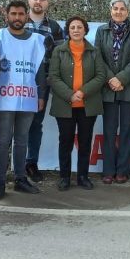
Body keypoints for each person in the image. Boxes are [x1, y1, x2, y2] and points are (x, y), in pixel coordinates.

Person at [0, 0, 49, 199]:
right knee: (3, 141)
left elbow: (40, 69)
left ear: (27, 16)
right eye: (13, 14)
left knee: (22, 140)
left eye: (21, 14)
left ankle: (20, 178)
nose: (17, 18)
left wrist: (41, 95)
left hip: (28, 97)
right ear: (7, 15)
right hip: (4, 97)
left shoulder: (36, 40)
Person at [49, 16, 106, 190]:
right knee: (65, 142)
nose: (76, 30)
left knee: (85, 142)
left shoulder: (94, 51)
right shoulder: (59, 51)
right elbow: (53, 76)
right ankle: (64, 177)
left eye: (79, 27)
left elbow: (101, 76)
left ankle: (83, 176)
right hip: (65, 105)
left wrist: (83, 92)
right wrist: (69, 94)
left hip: (87, 106)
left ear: (85, 30)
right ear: (68, 30)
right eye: (72, 27)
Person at [95, 0, 130, 184]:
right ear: (110, 10)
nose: (118, 12)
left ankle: (123, 170)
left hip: (129, 88)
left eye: (122, 9)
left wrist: (121, 78)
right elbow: (98, 57)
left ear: (128, 11)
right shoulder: (101, 31)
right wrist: (111, 79)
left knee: (126, 131)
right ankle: (108, 170)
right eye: (115, 8)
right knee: (108, 131)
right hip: (108, 89)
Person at [24, 0, 63, 183]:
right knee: (17, 123)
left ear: (47, 3)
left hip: (42, 83)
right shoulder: (19, 22)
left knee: (36, 123)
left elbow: (59, 57)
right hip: (19, 82)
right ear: (29, 0)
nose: (38, 2)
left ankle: (32, 163)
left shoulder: (55, 28)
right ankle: (17, 164)